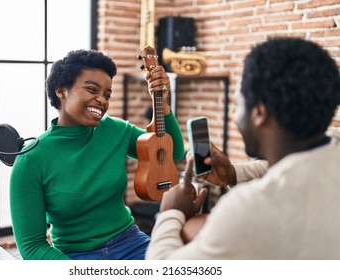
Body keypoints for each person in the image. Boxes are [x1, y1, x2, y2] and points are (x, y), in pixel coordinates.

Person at [145, 37, 340, 259]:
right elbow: (294, 167)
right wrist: (233, 174)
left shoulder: (247, 209)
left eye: (238, 105)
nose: (235, 116)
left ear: (259, 113)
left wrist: (171, 212)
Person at [10, 49, 185, 260]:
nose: (101, 100)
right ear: (61, 91)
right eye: (92, 89)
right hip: (75, 255)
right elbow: (32, 246)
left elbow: (173, 154)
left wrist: (163, 103)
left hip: (132, 243)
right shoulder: (30, 159)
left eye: (107, 94)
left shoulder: (117, 131)